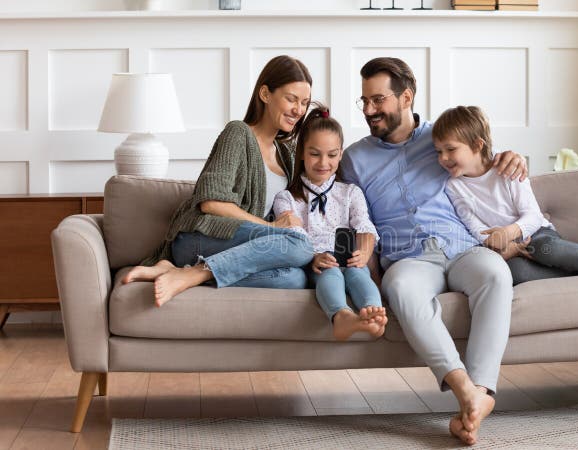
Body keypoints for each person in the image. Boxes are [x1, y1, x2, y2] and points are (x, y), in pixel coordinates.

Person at [339, 57, 528, 446]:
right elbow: (350, 216)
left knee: (495, 273)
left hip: (461, 245)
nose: (369, 110)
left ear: (406, 96)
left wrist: (513, 157)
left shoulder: (440, 138)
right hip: (407, 257)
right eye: (364, 101)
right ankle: (467, 391)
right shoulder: (354, 158)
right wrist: (367, 278)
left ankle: (482, 392)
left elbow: (483, 161)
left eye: (378, 100)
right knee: (403, 290)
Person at [122, 55, 315, 306]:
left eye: (304, 103)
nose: (298, 110)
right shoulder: (238, 133)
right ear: (265, 94)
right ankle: (193, 272)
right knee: (300, 245)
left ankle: (184, 272)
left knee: (294, 280)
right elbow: (211, 204)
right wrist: (272, 229)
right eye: (291, 99)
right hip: (201, 237)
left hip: (238, 247)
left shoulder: (287, 155)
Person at [433, 105, 578, 286]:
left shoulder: (507, 170)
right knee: (515, 274)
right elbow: (474, 225)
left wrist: (510, 232)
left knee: (544, 249)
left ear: (477, 145)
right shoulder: (453, 186)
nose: (443, 158)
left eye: (450, 149)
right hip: (508, 249)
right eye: (438, 151)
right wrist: (501, 245)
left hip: (537, 234)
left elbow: (531, 215)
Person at [272, 104, 387, 341]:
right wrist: (314, 256)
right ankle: (341, 317)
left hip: (349, 257)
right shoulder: (287, 198)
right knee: (331, 274)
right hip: (317, 263)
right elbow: (294, 236)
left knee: (358, 274)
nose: (323, 162)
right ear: (301, 153)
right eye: (315, 154)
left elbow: (364, 224)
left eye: (332, 155)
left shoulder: (350, 192)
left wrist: (364, 252)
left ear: (341, 154)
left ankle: (373, 315)